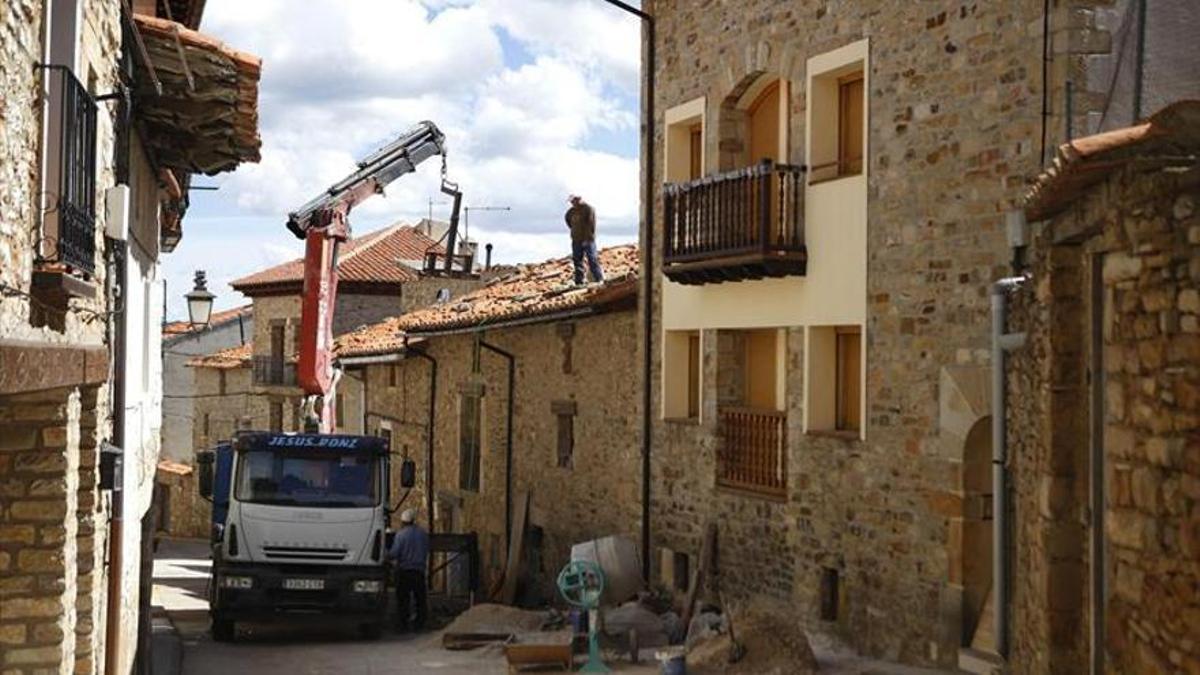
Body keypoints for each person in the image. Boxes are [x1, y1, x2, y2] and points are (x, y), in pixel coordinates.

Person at [388, 508, 429, 632]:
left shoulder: (401, 535)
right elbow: (426, 549)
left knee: (403, 600)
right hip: (419, 571)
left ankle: (403, 625)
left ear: (403, 522)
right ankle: (420, 624)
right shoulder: (422, 534)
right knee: (420, 599)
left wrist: (385, 555)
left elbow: (394, 553)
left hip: (405, 571)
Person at [565, 195, 604, 286]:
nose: (572, 203)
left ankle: (599, 279)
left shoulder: (588, 209)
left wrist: (588, 238)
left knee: (592, 259)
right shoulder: (571, 212)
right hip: (576, 240)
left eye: (574, 201)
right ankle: (579, 281)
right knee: (577, 260)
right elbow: (568, 221)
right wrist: (574, 232)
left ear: (578, 199)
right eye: (571, 201)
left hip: (588, 240)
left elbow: (591, 225)